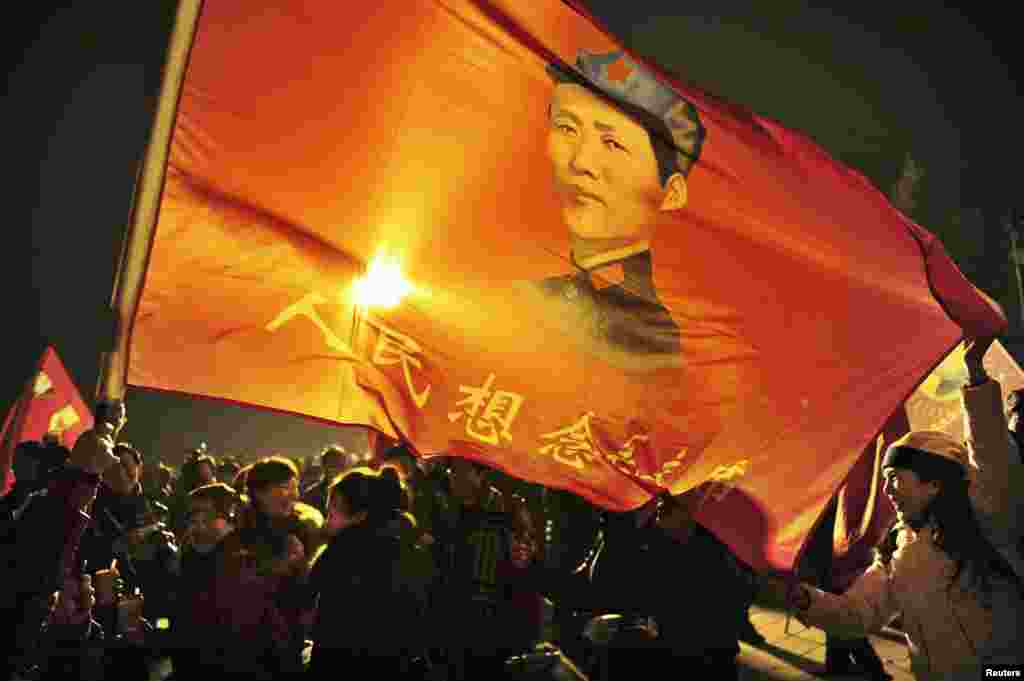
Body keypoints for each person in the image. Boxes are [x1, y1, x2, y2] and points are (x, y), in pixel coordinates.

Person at [763, 336, 1024, 680]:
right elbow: (858, 613)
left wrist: (976, 375)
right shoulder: (898, 548)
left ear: (934, 483)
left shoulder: (989, 519)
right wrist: (805, 600)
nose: (885, 489)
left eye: (895, 478)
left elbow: (992, 459)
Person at [521, 49, 705, 370]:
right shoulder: (527, 296)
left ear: (671, 193)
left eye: (613, 144)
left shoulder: (649, 341)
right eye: (568, 129)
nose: (580, 162)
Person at [306, 466, 434, 679]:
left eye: (332, 512)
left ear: (360, 515)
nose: (327, 521)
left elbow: (305, 599)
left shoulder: (339, 553)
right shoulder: (410, 547)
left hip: (341, 664)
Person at [301, 444, 348, 515]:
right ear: (324, 466)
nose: (336, 469)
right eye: (332, 465)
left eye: (340, 465)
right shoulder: (312, 494)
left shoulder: (351, 492)